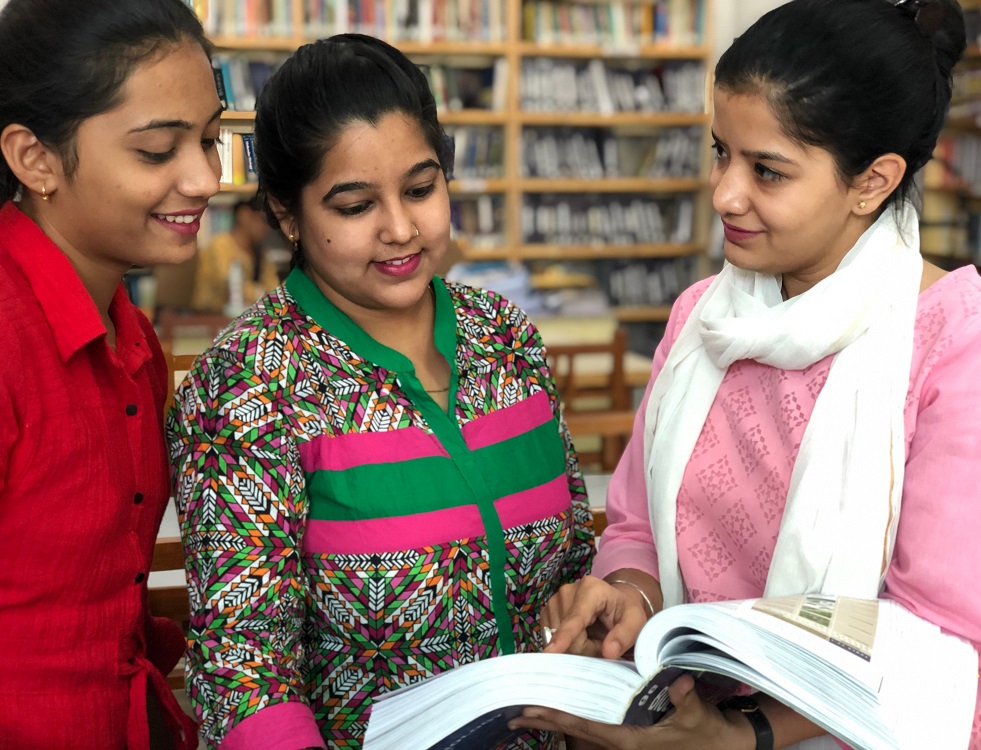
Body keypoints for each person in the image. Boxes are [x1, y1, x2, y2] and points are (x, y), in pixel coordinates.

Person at [510, 1, 981, 749]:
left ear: (872, 182)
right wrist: (626, 597)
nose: (724, 195)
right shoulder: (702, 317)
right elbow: (638, 524)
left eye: (767, 171)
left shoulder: (961, 346)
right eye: (720, 152)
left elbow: (945, 641)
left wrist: (748, 735)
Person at [167, 34, 594, 750]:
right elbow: (245, 670)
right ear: (287, 213)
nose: (401, 229)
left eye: (422, 189)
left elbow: (574, 558)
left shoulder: (504, 337)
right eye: (356, 205)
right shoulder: (248, 383)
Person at [0, 1, 222, 748]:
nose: (204, 178)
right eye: (159, 151)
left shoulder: (132, 338)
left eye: (211, 139)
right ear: (35, 159)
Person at [191, 199, 280, 314]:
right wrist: (259, 293)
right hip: (209, 318)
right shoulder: (221, 244)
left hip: (246, 319)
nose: (267, 228)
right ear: (244, 215)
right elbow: (229, 285)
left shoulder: (261, 254)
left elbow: (274, 289)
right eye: (263, 220)